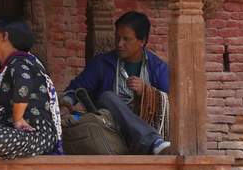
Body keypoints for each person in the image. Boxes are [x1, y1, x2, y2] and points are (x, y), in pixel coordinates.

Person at [61, 11, 171, 155]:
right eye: (117, 38)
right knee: (107, 97)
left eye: (126, 39)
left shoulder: (158, 68)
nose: (119, 44)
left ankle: (149, 140)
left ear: (142, 41)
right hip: (111, 130)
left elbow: (172, 103)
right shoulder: (102, 63)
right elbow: (77, 87)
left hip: (147, 124)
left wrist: (146, 91)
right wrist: (66, 103)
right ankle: (153, 142)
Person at [0, 17, 62, 159]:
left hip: (36, 134)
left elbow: (24, 84)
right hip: (12, 133)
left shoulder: (20, 62)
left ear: (5, 36)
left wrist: (18, 119)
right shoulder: (8, 68)